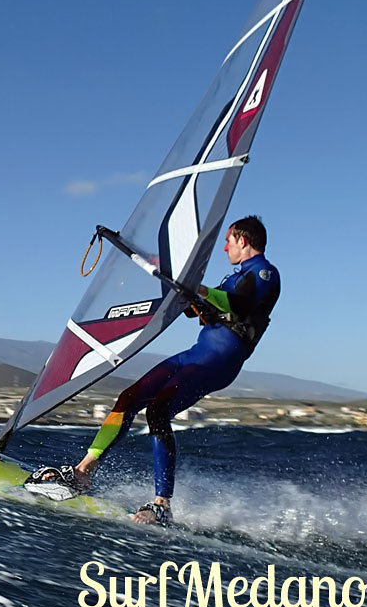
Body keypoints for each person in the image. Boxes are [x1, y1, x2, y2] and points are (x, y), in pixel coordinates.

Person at [29, 215, 280, 526]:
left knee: (158, 411)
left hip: (219, 362)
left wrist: (198, 289)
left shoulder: (265, 274)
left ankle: (162, 505)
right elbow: (197, 309)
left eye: (229, 241)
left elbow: (237, 305)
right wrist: (181, 287)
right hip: (195, 355)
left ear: (243, 241)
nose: (225, 247)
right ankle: (83, 472)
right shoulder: (233, 277)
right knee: (129, 397)